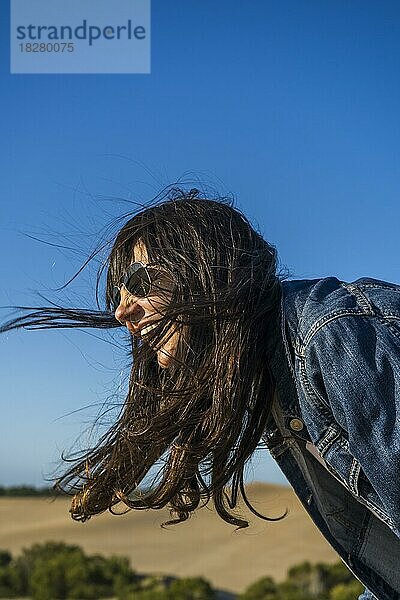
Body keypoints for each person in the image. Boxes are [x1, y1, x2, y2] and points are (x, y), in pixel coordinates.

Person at [2, 188, 399, 599]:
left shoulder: (332, 338)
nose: (122, 312)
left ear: (206, 266)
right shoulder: (269, 379)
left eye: (139, 283)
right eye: (116, 297)